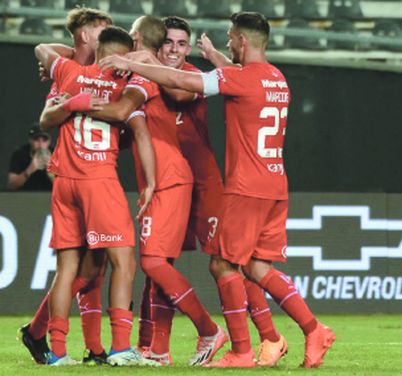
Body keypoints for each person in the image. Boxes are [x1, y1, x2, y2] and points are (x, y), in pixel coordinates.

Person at [98, 11, 335, 368]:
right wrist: (215, 57)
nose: (228, 43)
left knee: (223, 264)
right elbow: (239, 77)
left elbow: (180, 82)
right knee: (255, 267)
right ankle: (312, 330)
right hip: (274, 183)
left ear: (242, 41)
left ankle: (240, 350)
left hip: (245, 187)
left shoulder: (231, 78)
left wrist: (134, 62)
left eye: (230, 38)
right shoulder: (277, 79)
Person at [132, 15, 287, 367]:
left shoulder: (191, 76)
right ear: (158, 43)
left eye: (181, 44)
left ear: (189, 48)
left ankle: (268, 337)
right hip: (169, 184)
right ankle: (155, 346)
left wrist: (141, 60)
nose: (174, 50)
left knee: (232, 262)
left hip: (205, 185)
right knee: (161, 263)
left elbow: (176, 88)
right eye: (168, 42)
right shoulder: (148, 74)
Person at [75, 15, 228, 366]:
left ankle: (209, 329)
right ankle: (156, 348)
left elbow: (128, 108)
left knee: (156, 262)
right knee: (158, 265)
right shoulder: (140, 72)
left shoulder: (148, 70)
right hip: (160, 180)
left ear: (139, 38)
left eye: (132, 36)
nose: (128, 41)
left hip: (171, 178)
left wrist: (73, 103)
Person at [33, 25, 158, 366]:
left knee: (67, 267)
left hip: (63, 180)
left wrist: (72, 104)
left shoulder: (69, 72)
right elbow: (127, 109)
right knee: (124, 261)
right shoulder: (128, 82)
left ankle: (58, 352)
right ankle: (120, 348)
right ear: (123, 55)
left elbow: (41, 51)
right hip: (99, 178)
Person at [18, 7, 115, 366]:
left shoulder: (99, 68)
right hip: (77, 177)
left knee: (94, 268)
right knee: (79, 266)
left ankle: (79, 344)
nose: (109, 35)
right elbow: (46, 117)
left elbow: (45, 51)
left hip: (91, 176)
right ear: (86, 35)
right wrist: (74, 100)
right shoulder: (68, 72)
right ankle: (55, 342)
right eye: (102, 30)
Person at [7, 126, 54, 191]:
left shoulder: (57, 154)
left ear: (49, 142)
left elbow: (64, 188)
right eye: (36, 139)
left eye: (44, 140)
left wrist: (51, 172)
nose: (41, 144)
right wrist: (29, 170)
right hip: (24, 195)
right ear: (30, 140)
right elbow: (12, 185)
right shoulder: (20, 154)